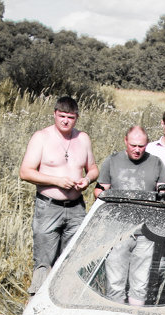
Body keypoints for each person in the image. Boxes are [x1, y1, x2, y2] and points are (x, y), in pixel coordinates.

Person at [19, 96, 97, 295]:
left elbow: (93, 168)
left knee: (73, 260)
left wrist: (87, 180)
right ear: (54, 114)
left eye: (70, 117)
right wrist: (57, 181)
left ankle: (64, 303)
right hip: (48, 207)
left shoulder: (83, 138)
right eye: (61, 116)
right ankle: (35, 308)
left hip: (76, 208)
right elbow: (25, 172)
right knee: (44, 263)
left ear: (76, 118)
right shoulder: (41, 137)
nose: (65, 121)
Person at [95, 126, 165, 305]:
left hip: (146, 233)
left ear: (147, 144)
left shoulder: (156, 162)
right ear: (125, 141)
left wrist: (164, 194)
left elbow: (164, 190)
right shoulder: (112, 161)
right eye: (133, 145)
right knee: (115, 284)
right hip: (117, 231)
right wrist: (107, 196)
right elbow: (99, 190)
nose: (137, 150)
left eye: (141, 146)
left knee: (140, 285)